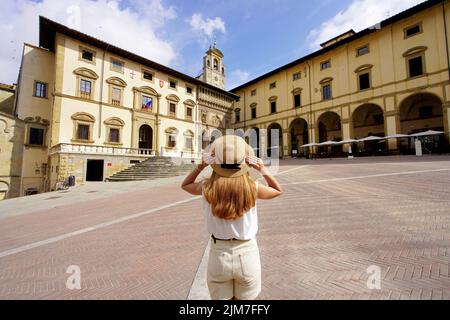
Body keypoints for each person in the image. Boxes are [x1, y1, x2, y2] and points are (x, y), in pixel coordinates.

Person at [181, 135, 283, 300]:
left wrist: (200, 167)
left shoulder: (207, 187)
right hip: (247, 253)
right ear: (244, 163)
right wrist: (262, 169)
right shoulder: (252, 187)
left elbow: (185, 185)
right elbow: (277, 190)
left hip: (218, 255)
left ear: (216, 164)